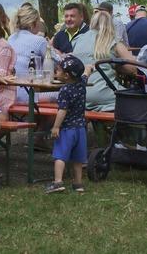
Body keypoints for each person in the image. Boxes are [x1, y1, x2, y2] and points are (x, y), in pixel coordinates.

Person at [44, 56, 92, 194]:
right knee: (78, 159)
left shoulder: (65, 90)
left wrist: (56, 127)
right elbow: (86, 72)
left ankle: (58, 182)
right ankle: (78, 184)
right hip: (81, 128)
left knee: (60, 156)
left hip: (67, 129)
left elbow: (62, 111)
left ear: (66, 75)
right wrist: (90, 67)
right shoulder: (81, 83)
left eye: (58, 71)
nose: (55, 73)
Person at [72, 11, 136, 111]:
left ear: (92, 22)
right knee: (136, 98)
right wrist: (116, 65)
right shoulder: (112, 41)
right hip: (104, 94)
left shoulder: (78, 40)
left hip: (79, 94)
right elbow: (132, 68)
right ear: (110, 24)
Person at [8, 5, 48, 104]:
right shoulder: (39, 41)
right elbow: (56, 62)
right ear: (33, 23)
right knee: (64, 94)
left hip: (11, 94)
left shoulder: (11, 38)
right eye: (39, 22)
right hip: (29, 95)